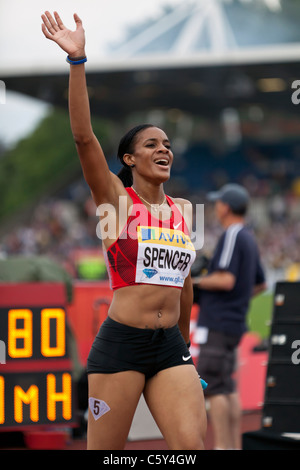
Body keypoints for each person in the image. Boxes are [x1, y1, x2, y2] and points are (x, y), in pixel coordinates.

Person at [41, 11, 207, 450]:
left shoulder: (184, 210)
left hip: (170, 347)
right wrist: (77, 61)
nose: (164, 149)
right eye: (152, 144)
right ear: (130, 159)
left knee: (191, 449)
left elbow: (184, 284)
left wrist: (185, 344)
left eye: (168, 144)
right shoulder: (116, 201)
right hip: (121, 346)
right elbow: (83, 138)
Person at [192, 183, 266, 450]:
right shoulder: (248, 236)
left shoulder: (232, 235)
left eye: (217, 203)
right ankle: (232, 446)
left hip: (218, 321)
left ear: (225, 206)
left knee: (214, 387)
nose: (215, 208)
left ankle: (223, 446)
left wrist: (195, 282)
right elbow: (260, 284)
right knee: (228, 386)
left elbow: (225, 279)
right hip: (233, 322)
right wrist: (238, 300)